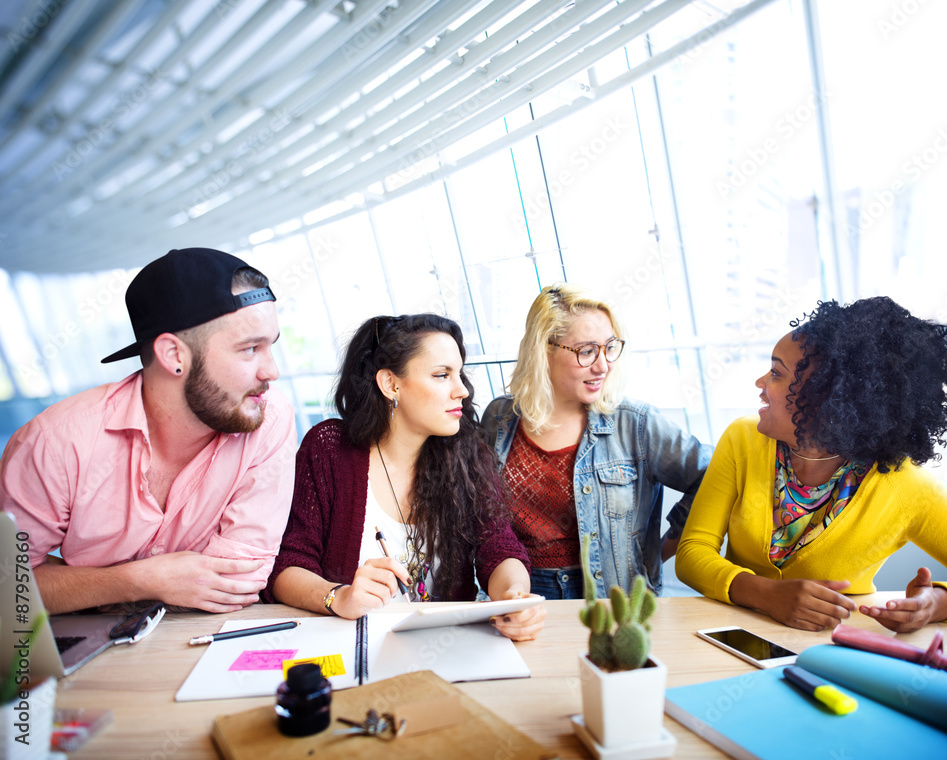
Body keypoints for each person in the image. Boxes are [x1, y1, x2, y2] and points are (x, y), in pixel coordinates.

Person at [676, 296, 947, 633]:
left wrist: (938, 603)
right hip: (730, 638)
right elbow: (693, 552)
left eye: (776, 373)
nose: (761, 384)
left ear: (826, 400)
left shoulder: (906, 487)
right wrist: (767, 594)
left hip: (832, 650)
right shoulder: (743, 440)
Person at [0, 248, 296, 614]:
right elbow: (8, 589)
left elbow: (237, 583)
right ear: (174, 355)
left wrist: (80, 586)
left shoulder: (268, 417)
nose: (272, 371)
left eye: (271, 346)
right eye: (251, 349)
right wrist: (139, 580)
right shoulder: (54, 444)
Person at [265, 313, 545, 641]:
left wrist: (513, 597)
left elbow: (498, 546)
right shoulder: (328, 449)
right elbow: (287, 565)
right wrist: (337, 596)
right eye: (442, 375)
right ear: (391, 384)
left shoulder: (467, 452)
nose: (462, 391)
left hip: (447, 646)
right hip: (353, 644)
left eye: (460, 374)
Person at [482, 284, 712, 600]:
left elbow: (712, 475)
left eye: (609, 347)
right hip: (520, 592)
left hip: (610, 598)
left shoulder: (636, 423)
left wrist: (664, 547)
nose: (603, 365)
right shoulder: (500, 418)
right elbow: (483, 514)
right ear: (544, 351)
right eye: (587, 351)